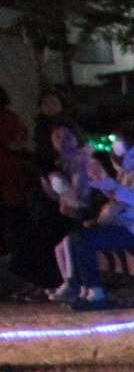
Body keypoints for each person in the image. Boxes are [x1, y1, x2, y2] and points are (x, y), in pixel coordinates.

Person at [51, 123, 134, 310]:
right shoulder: (129, 168)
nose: (113, 146)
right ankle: (84, 290)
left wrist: (113, 187)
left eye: (116, 141)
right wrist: (104, 185)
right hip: (132, 225)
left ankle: (95, 293)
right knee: (78, 237)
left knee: (85, 240)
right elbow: (124, 197)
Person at [4, 119, 92, 295]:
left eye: (67, 136)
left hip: (80, 215)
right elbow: (54, 195)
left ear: (77, 138)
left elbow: (80, 197)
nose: (62, 140)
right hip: (63, 212)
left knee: (44, 236)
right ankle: (45, 282)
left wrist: (57, 180)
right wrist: (49, 178)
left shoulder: (81, 160)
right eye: (57, 137)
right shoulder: (60, 162)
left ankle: (55, 282)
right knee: (29, 236)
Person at [0, 87, 35, 259]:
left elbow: (18, 143)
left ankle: (15, 251)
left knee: (13, 214)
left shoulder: (10, 119)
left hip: (10, 172)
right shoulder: (12, 118)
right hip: (11, 173)